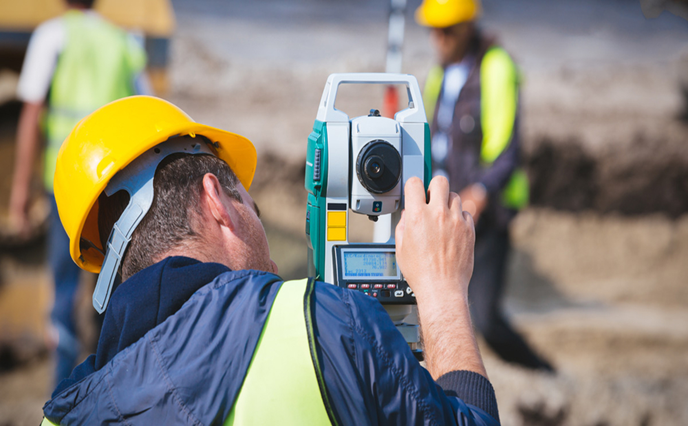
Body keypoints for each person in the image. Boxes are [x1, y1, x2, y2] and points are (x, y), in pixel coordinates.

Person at [40, 96, 500, 425]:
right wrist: (443, 293)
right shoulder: (322, 326)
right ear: (216, 201)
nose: (275, 267)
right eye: (252, 208)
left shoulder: (63, 414)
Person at [9, 0, 147, 385]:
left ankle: (62, 392)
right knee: (113, 286)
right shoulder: (123, 42)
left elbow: (31, 115)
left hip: (69, 185)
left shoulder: (53, 36)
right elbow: (146, 110)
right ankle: (110, 382)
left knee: (65, 289)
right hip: (118, 188)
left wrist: (20, 191)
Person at [415, 0, 554, 371]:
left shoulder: (496, 68)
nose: (439, 38)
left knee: (485, 319)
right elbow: (432, 141)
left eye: (447, 30)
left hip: (486, 216)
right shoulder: (440, 73)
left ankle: (541, 371)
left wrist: (479, 193)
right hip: (445, 210)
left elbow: (508, 154)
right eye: (434, 30)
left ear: (468, 26)